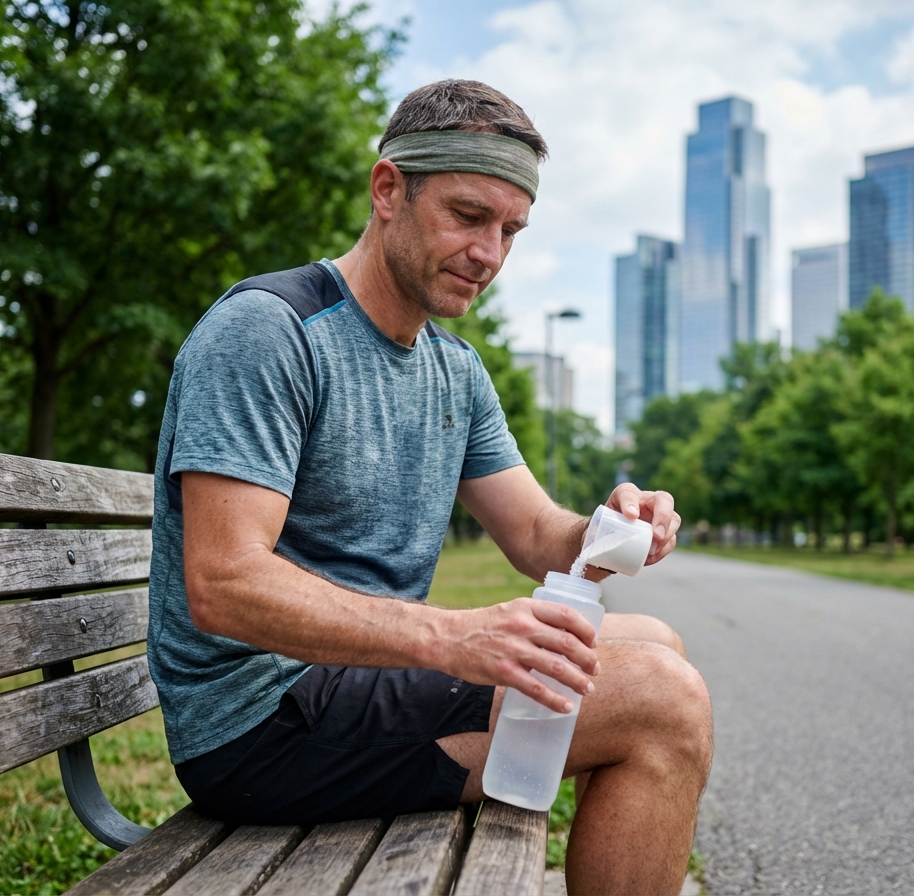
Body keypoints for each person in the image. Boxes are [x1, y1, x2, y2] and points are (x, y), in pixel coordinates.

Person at [147, 79, 712, 896]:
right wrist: (451, 637)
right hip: (259, 721)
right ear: (388, 190)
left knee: (658, 644)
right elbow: (224, 584)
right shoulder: (268, 332)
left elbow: (536, 536)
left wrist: (614, 526)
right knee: (662, 699)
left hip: (358, 688)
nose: (490, 254)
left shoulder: (455, 369)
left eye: (510, 231)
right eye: (469, 216)